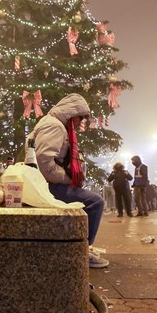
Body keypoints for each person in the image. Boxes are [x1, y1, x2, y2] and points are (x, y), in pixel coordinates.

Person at [28, 93, 107, 268]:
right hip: (45, 184)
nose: (81, 123)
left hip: (43, 181)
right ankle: (81, 251)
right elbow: (45, 164)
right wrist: (68, 179)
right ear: (72, 113)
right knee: (95, 202)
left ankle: (80, 246)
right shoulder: (55, 127)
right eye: (81, 118)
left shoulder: (53, 123)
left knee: (91, 200)